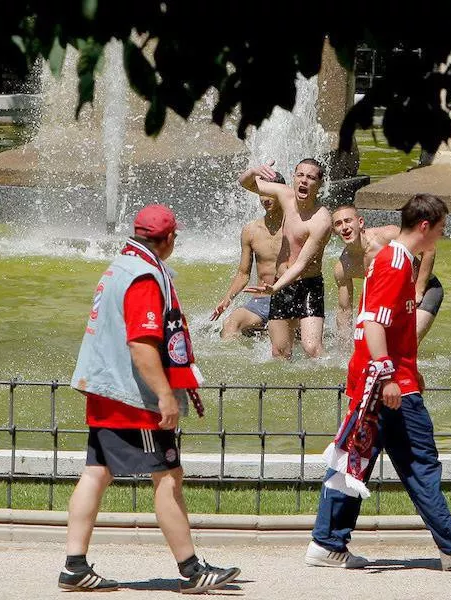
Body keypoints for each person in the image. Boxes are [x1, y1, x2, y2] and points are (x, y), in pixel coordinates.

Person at [305, 194, 451, 571]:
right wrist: (391, 373)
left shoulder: (394, 259)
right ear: (425, 227)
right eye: (441, 229)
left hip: (383, 381)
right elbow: (373, 323)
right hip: (389, 386)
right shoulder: (395, 263)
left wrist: (407, 365)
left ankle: (327, 542)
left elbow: (390, 323)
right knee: (420, 463)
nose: (441, 238)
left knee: (355, 461)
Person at [62, 204, 241, 593]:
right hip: (131, 397)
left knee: (97, 471)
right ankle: (192, 569)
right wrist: (165, 395)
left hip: (104, 388)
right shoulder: (145, 277)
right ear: (170, 238)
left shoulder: (121, 264)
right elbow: (141, 344)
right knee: (167, 476)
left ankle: (74, 566)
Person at [238, 158, 332, 358]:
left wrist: (275, 287)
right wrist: (253, 170)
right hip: (281, 285)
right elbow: (245, 183)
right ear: (293, 177)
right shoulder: (284, 195)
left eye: (310, 177)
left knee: (311, 347)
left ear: (320, 183)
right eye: (300, 175)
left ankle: (337, 383)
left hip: (308, 285)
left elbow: (300, 264)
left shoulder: (321, 219)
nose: (304, 181)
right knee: (280, 352)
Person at [331, 204, 443, 347]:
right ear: (335, 231)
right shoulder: (343, 268)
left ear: (360, 223)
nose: (344, 227)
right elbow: (344, 309)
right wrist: (344, 346)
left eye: (348, 221)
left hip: (425, 290)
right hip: (394, 302)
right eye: (338, 224)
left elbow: (429, 248)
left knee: (407, 343)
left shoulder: (387, 236)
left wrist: (418, 291)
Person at [210, 173, 285, 339]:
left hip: (289, 299)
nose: (265, 199)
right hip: (260, 301)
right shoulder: (250, 231)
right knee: (230, 324)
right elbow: (243, 274)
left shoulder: (294, 228)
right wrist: (226, 301)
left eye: (270, 193)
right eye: (261, 194)